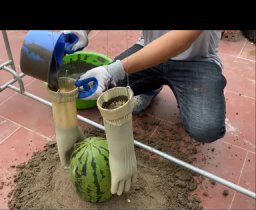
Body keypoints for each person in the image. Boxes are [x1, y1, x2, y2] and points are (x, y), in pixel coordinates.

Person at [63, 30, 227, 195]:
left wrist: (113, 71)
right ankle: (151, 88)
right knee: (109, 89)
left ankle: (180, 89)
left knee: (205, 127)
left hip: (197, 61)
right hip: (148, 51)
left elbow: (178, 39)